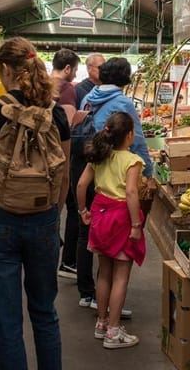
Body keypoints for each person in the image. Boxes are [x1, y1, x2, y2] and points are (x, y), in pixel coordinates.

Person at [0, 37, 71, 370]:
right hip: (43, 220)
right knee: (44, 312)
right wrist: (52, 214)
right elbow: (63, 175)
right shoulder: (55, 114)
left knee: (6, 320)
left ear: (5, 69)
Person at [75, 57, 151, 316]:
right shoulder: (123, 104)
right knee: (120, 269)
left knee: (95, 250)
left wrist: (82, 209)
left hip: (92, 171)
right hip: (118, 202)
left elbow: (82, 183)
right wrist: (148, 172)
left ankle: (90, 296)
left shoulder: (89, 98)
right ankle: (113, 323)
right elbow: (138, 142)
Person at [77, 111, 146, 349]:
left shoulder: (99, 156)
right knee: (121, 277)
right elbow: (131, 192)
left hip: (100, 214)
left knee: (104, 273)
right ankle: (114, 333)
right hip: (121, 218)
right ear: (129, 135)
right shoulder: (132, 161)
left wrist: (83, 210)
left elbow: (81, 184)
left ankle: (102, 323)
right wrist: (136, 225)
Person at [59, 52, 105, 281]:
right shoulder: (80, 91)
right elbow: (72, 125)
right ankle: (68, 261)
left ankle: (73, 260)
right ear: (90, 68)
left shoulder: (98, 88)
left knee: (80, 211)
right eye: (100, 67)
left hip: (85, 158)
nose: (103, 70)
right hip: (78, 158)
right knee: (77, 211)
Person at [51, 48, 80, 119]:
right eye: (75, 70)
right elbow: (68, 121)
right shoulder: (66, 88)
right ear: (67, 68)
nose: (75, 76)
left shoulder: (41, 83)